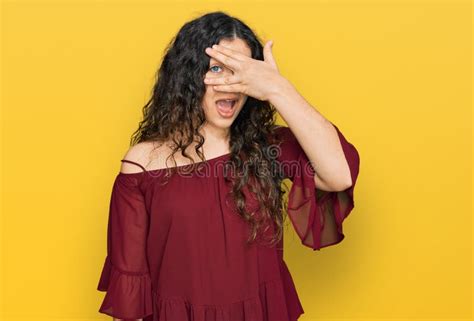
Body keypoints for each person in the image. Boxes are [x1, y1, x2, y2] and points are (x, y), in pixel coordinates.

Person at [96, 11, 360, 321]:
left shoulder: (267, 147)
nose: (230, 84)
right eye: (217, 68)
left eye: (240, 71)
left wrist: (278, 88)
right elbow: (130, 293)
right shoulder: (142, 165)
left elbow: (339, 175)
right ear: (188, 75)